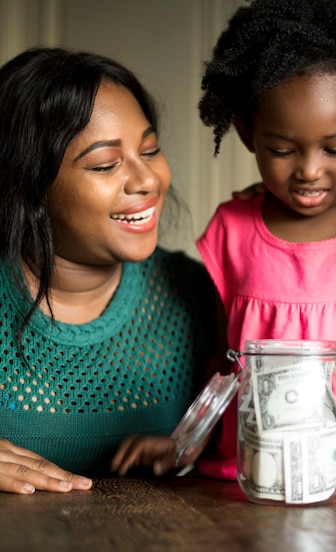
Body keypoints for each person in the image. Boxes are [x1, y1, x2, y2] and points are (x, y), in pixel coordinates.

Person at [117, 0, 336, 499]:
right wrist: (184, 444)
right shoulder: (231, 229)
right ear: (248, 132)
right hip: (249, 475)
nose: (309, 170)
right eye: (282, 150)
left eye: (334, 149)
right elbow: (224, 359)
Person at [0, 47, 216, 494]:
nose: (148, 180)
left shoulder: (196, 294)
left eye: (150, 150)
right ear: (29, 184)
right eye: (105, 164)